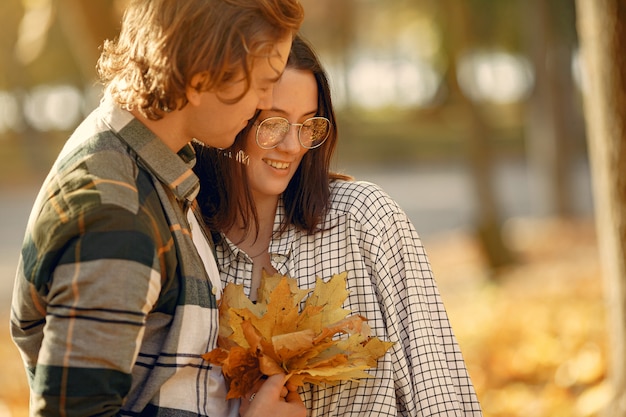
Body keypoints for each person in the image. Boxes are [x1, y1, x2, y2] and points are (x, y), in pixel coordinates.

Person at [9, 1, 306, 416]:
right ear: (201, 78)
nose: (265, 101)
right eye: (263, 83)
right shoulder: (116, 216)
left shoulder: (153, 169)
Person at [192, 35, 484, 416]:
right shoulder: (195, 247)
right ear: (230, 118)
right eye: (273, 123)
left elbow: (435, 386)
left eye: (308, 125)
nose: (294, 146)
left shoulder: (364, 219)